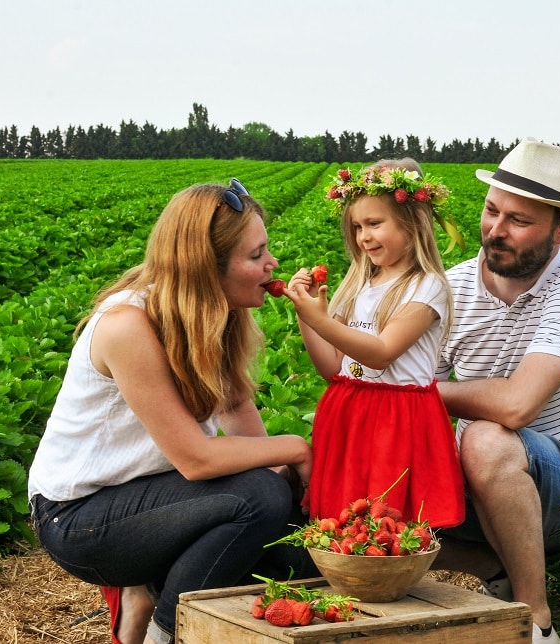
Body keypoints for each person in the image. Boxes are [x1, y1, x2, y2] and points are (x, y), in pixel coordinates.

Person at [27, 179, 315, 644]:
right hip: (79, 517)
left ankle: (148, 593)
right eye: (256, 254)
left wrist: (296, 491)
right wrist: (295, 449)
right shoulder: (127, 326)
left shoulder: (217, 312)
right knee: (258, 496)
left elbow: (238, 408)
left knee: (295, 548)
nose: (272, 263)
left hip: (154, 497)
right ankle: (169, 634)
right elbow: (196, 459)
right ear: (207, 266)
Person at [433, 139, 560, 644]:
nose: (496, 231)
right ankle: (490, 562)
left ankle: (533, 620)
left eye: (518, 220)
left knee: (486, 438)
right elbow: (398, 384)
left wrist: (427, 394)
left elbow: (518, 405)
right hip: (480, 486)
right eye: (491, 210)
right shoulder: (447, 290)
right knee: (345, 474)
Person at [283, 159, 465, 528]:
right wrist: (306, 316)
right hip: (349, 410)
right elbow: (332, 367)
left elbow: (381, 355)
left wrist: (320, 320)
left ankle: (390, 581)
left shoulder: (425, 287)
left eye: (374, 224)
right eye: (357, 226)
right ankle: (349, 577)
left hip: (396, 420)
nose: (364, 236)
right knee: (345, 519)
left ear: (412, 223)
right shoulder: (359, 285)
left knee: (388, 521)